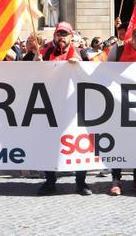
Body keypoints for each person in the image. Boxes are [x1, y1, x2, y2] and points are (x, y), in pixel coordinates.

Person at [37, 21, 91, 196]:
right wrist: (34, 62)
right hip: (50, 106)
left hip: (76, 106)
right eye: (59, 34)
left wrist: (80, 65)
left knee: (79, 142)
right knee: (48, 144)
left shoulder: (82, 53)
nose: (62, 37)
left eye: (65, 34)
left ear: (71, 36)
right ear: (55, 36)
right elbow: (26, 72)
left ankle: (81, 182)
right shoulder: (45, 53)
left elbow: (95, 75)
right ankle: (50, 181)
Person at [104, 26, 136, 196]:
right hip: (119, 103)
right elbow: (104, 72)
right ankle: (116, 179)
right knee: (118, 142)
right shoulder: (117, 50)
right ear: (132, 40)